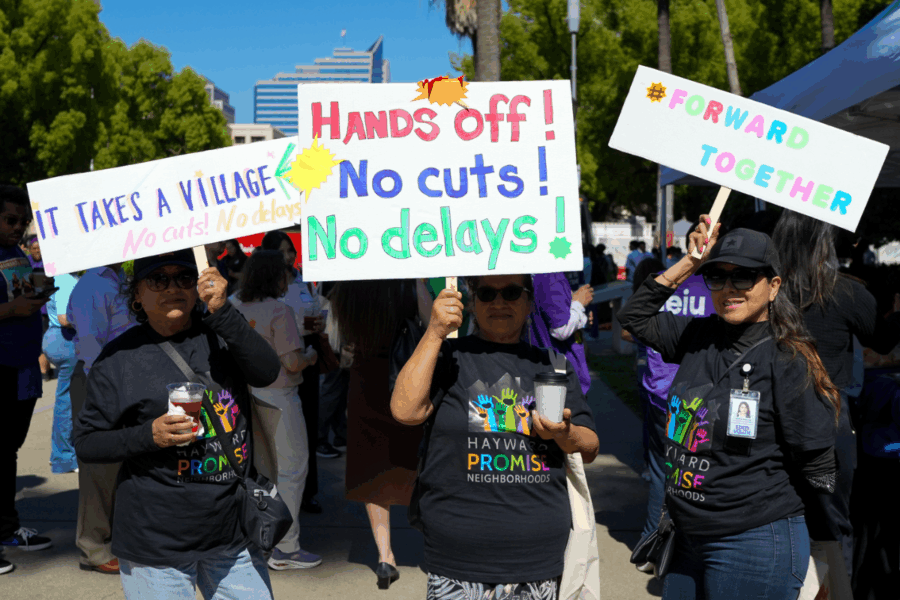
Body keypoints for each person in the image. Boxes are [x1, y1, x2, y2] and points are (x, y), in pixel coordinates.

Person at [618, 221, 839, 599]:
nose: (729, 288)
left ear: (773, 286)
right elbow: (633, 316)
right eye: (717, 277)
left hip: (753, 541)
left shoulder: (788, 359)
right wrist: (689, 262)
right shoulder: (696, 334)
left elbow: (816, 465)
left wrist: (819, 546)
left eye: (744, 277)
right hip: (686, 535)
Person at [72, 249, 281, 599]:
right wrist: (148, 435)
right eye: (158, 279)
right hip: (155, 543)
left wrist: (224, 311)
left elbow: (267, 372)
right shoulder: (117, 359)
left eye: (184, 277)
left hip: (232, 532)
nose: (173, 287)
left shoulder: (221, 334)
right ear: (137, 293)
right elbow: (87, 442)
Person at [391, 274, 599, 597]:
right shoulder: (449, 357)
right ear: (473, 301)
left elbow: (590, 446)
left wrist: (564, 433)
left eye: (512, 293)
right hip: (456, 566)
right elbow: (404, 410)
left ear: (529, 302)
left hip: (536, 566)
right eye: (487, 293)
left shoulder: (553, 365)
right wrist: (434, 332)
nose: (499, 303)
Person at [772, 210, 900, 582]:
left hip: (770, 419)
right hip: (828, 421)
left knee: (777, 522)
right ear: (824, 241)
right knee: (833, 526)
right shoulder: (846, 291)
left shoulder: (764, 291)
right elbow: (882, 339)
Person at [330, 278, 426, 588]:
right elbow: (429, 318)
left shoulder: (348, 282)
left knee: (371, 466)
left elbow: (338, 334)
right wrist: (420, 278)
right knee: (418, 456)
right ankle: (433, 540)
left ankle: (385, 556)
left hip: (365, 375)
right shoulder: (402, 280)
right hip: (404, 374)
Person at [230, 249, 321, 570]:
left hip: (243, 397)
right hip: (280, 397)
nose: (289, 279)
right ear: (276, 276)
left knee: (261, 472)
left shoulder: (233, 305)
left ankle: (261, 538)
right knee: (292, 471)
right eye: (286, 273)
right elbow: (292, 361)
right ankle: (286, 546)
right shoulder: (279, 311)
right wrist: (311, 355)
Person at [67, 261, 136, 574]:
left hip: (120, 379)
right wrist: (105, 389)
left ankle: (111, 539)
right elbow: (90, 343)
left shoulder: (117, 278)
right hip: (100, 382)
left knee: (118, 464)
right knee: (99, 469)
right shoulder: (93, 284)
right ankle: (94, 548)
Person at [0, 186, 52, 575]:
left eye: (22, 221)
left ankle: (6, 530)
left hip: (23, 367)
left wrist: (36, 296)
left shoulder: (18, 254)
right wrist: (11, 309)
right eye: (10, 219)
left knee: (8, 451)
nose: (18, 227)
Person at [260, 231, 325, 514]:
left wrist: (316, 326)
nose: (289, 257)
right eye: (283, 251)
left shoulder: (301, 280)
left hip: (304, 351)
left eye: (291, 252)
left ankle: (307, 492)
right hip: (283, 363)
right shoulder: (264, 291)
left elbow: (312, 310)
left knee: (308, 425)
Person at [529, 272, 593, 395]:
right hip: (562, 375)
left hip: (545, 369)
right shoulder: (551, 275)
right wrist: (579, 304)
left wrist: (580, 315)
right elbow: (561, 329)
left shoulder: (537, 274)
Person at [43, 270, 80, 474]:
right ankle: (63, 457)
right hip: (64, 338)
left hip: (57, 337)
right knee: (67, 401)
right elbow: (65, 318)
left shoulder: (61, 277)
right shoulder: (65, 278)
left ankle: (62, 454)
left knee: (67, 399)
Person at [27, 237, 53, 380]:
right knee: (40, 340)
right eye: (34, 248)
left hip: (51, 308)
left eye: (39, 248)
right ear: (29, 250)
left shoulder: (50, 262)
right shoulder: (26, 264)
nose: (37, 251)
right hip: (36, 310)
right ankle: (45, 370)